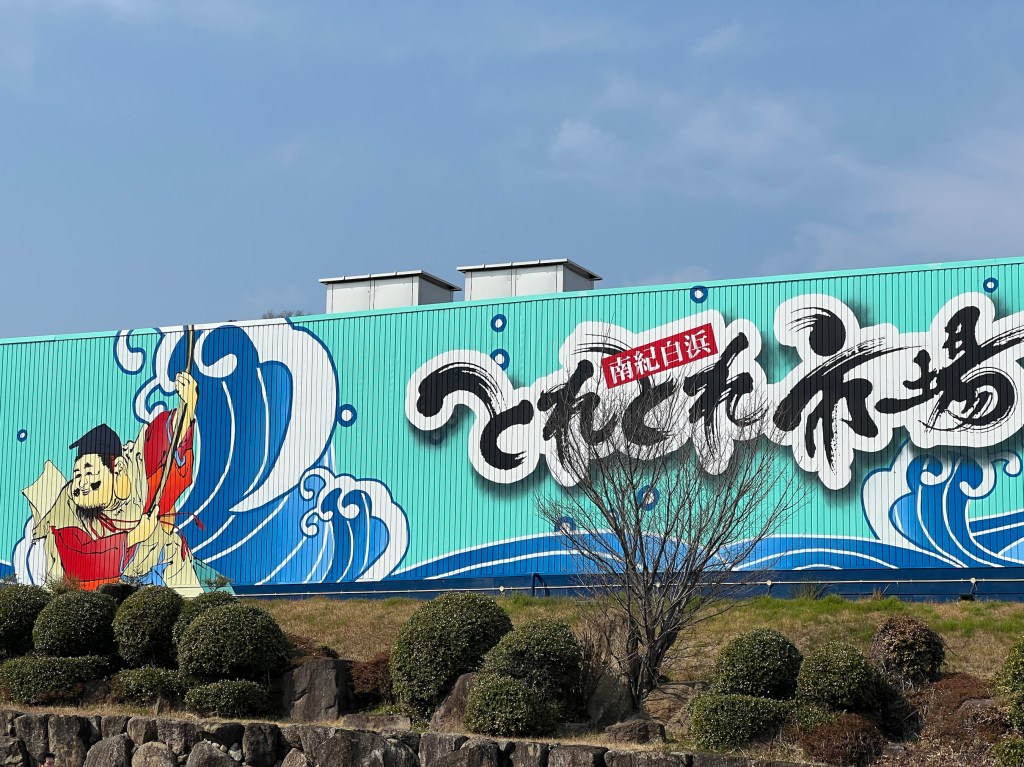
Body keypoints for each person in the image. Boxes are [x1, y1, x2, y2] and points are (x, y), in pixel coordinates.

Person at [22, 371, 202, 592]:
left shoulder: (140, 475)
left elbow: (166, 443)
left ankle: (197, 606)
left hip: (146, 561)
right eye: (77, 474)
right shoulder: (68, 502)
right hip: (94, 585)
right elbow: (79, 560)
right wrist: (132, 537)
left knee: (172, 545)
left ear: (117, 467)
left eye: (89, 472)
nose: (81, 483)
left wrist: (187, 407)